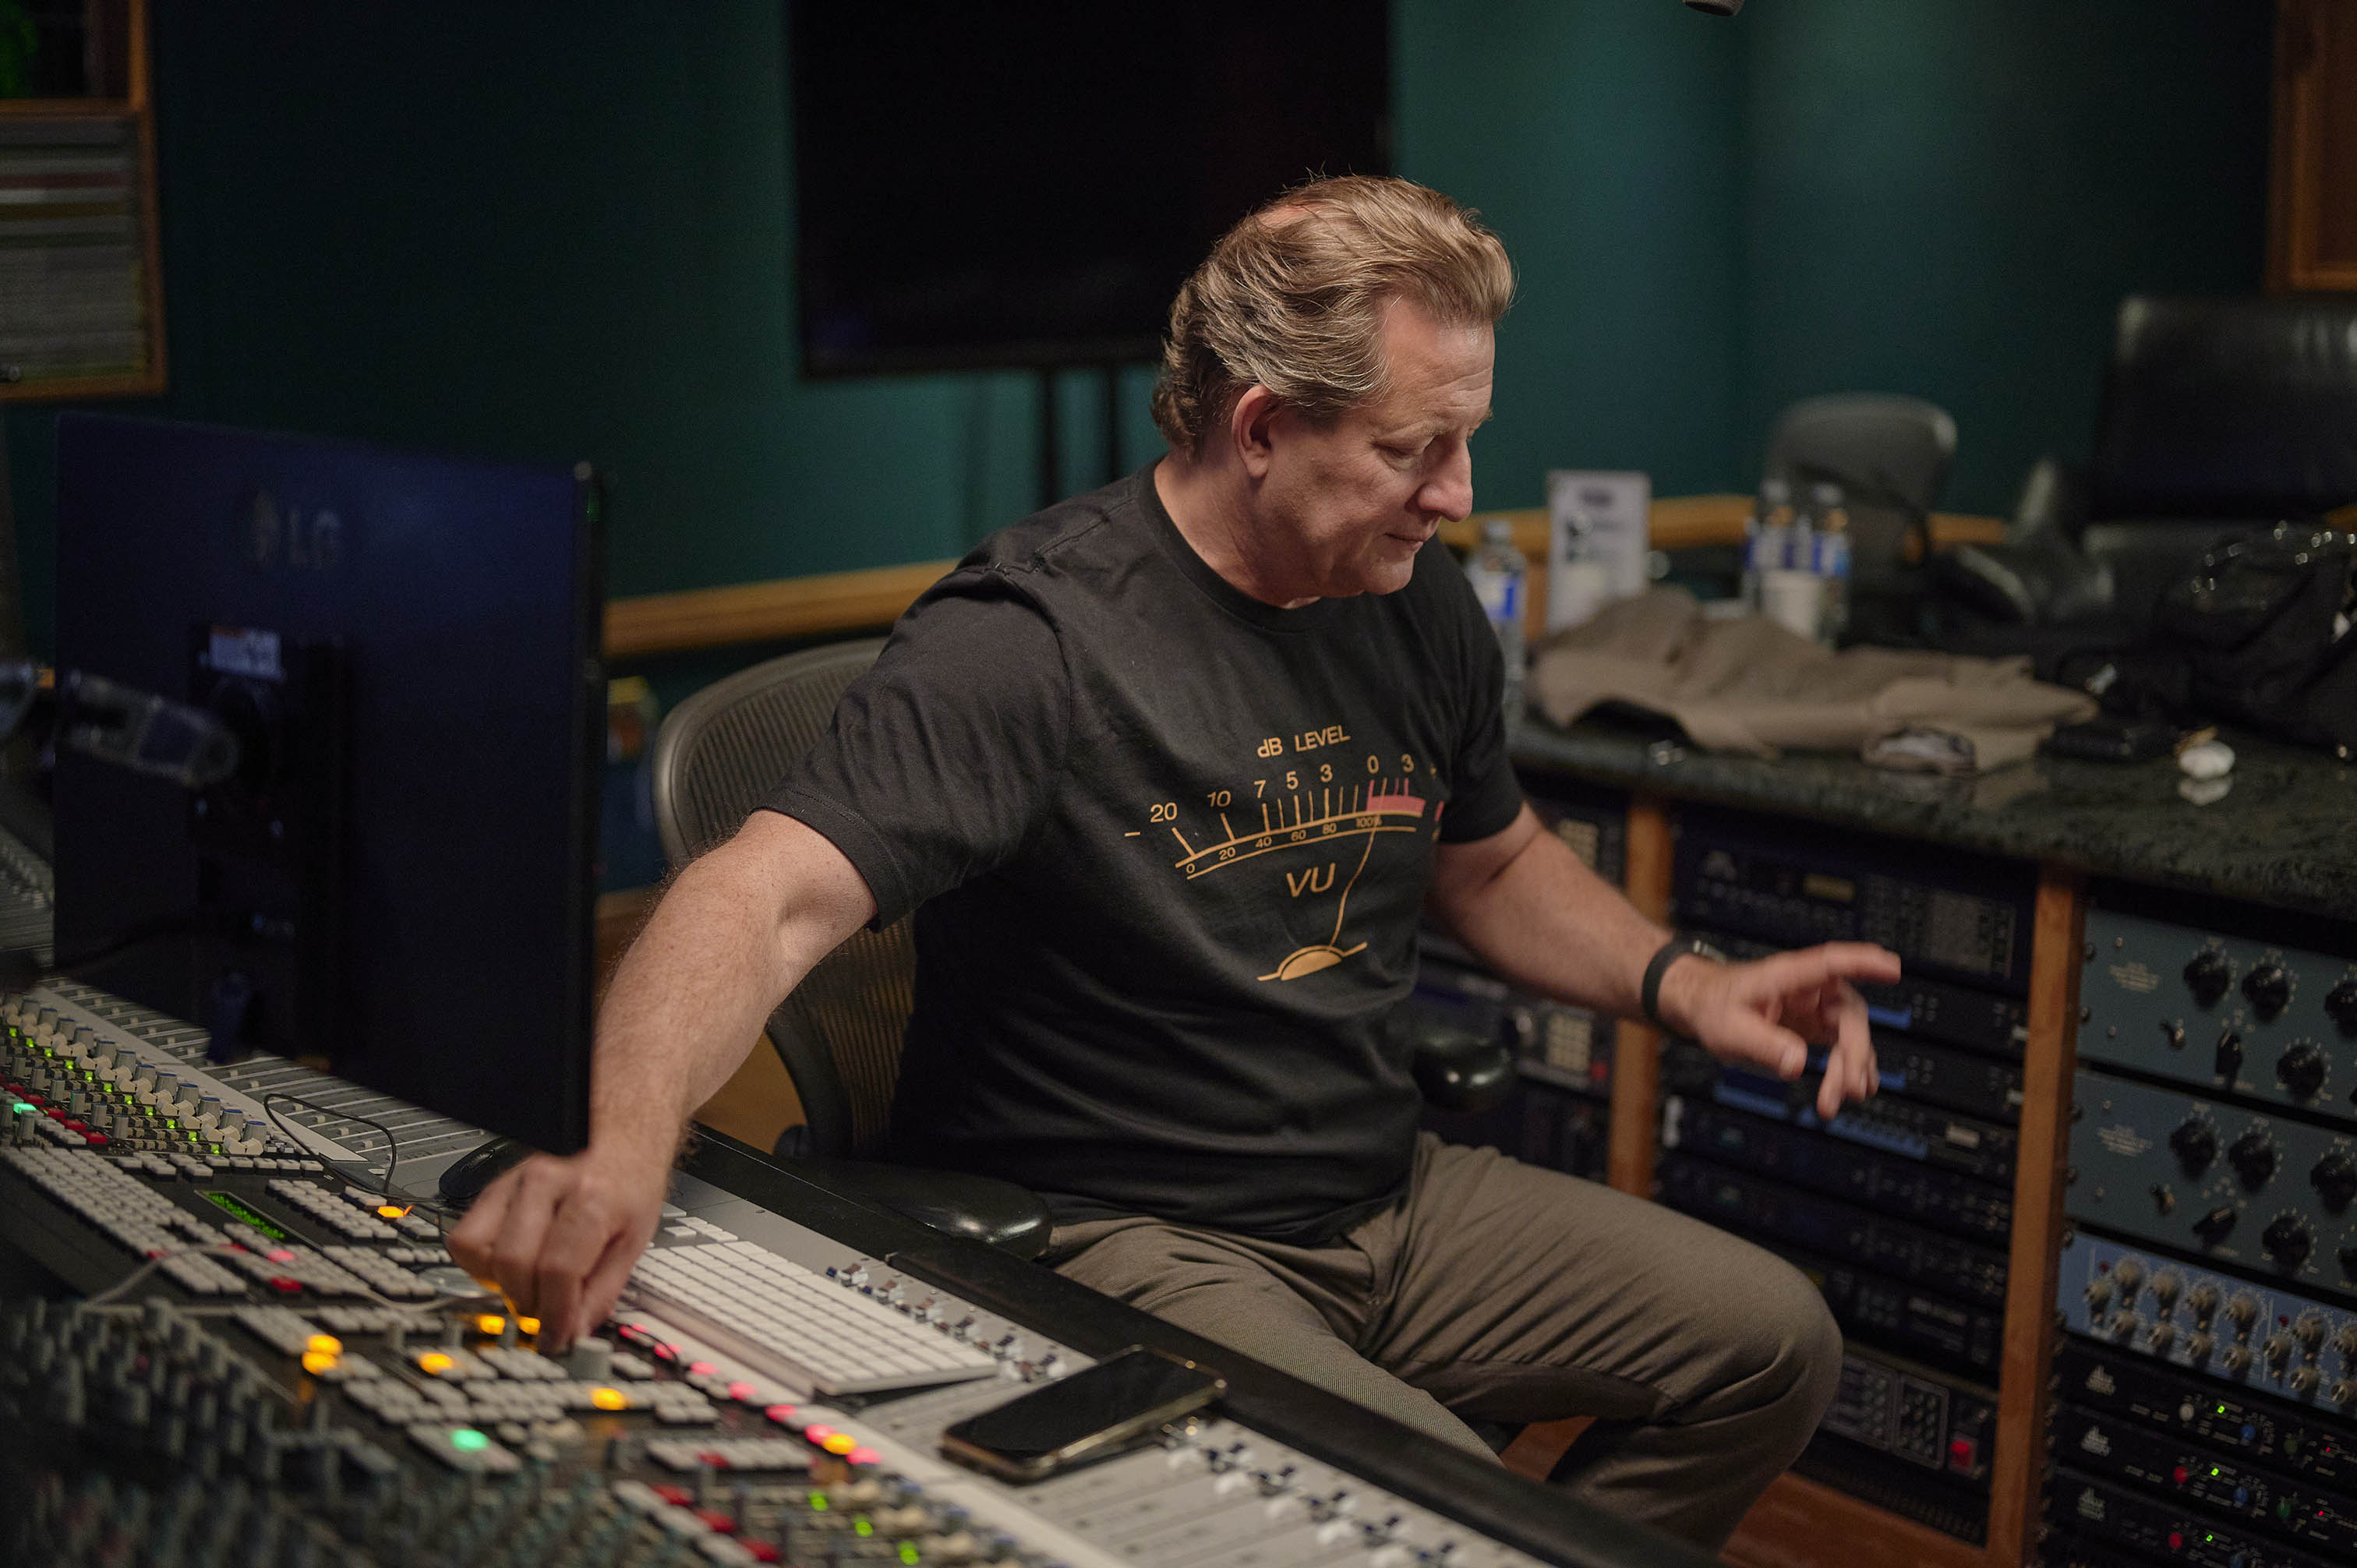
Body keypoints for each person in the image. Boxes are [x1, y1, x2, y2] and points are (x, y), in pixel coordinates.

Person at [451, 175, 1900, 1550]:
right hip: (1132, 1236)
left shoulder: (1412, 597)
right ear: (1260, 426)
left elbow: (1495, 864)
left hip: (1387, 1197)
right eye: (1413, 448)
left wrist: (1688, 985)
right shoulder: (1033, 642)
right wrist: (619, 1142)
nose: (1457, 492)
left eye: (1467, 440)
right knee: (1457, 1511)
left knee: (1774, 1345)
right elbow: (757, 898)